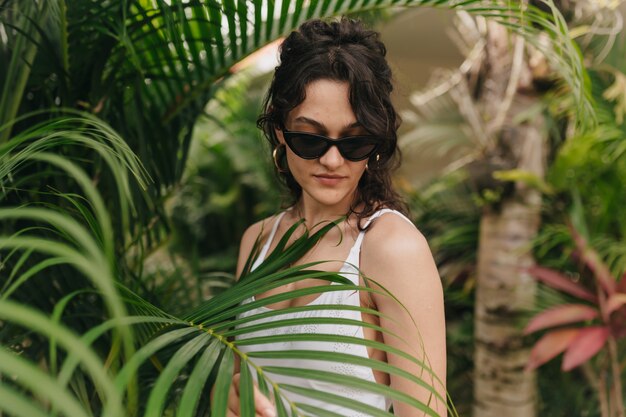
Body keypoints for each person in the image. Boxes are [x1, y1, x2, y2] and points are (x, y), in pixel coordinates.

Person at [227, 17, 446, 417]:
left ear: (376, 141)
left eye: (354, 141)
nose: (331, 160)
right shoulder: (257, 242)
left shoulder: (392, 249)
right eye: (310, 138)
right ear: (280, 131)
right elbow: (239, 387)